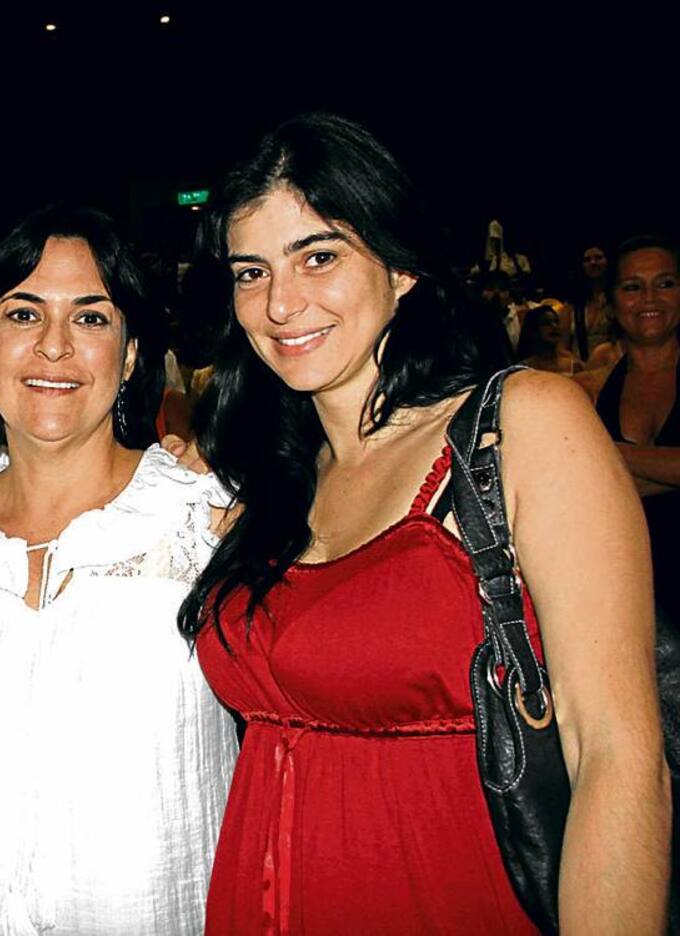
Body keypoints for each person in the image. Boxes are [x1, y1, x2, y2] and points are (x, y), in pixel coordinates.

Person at [178, 113, 670, 934]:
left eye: (319, 256)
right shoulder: (264, 475)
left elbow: (618, 758)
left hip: (450, 890)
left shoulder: (520, 426)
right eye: (250, 271)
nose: (280, 302)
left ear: (401, 267)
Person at [0, 206, 238, 934]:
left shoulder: (207, 523)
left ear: (132, 353)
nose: (53, 347)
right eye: (23, 314)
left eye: (90, 319)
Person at [575, 235, 680, 628]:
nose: (650, 298)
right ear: (611, 303)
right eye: (633, 287)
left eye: (666, 283)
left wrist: (602, 453)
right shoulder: (590, 389)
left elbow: (593, 476)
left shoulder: (585, 411)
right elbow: (577, 486)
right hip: (627, 591)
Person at [515, 302, 583, 374]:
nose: (554, 327)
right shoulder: (524, 368)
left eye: (556, 322)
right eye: (546, 323)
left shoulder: (574, 364)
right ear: (534, 330)